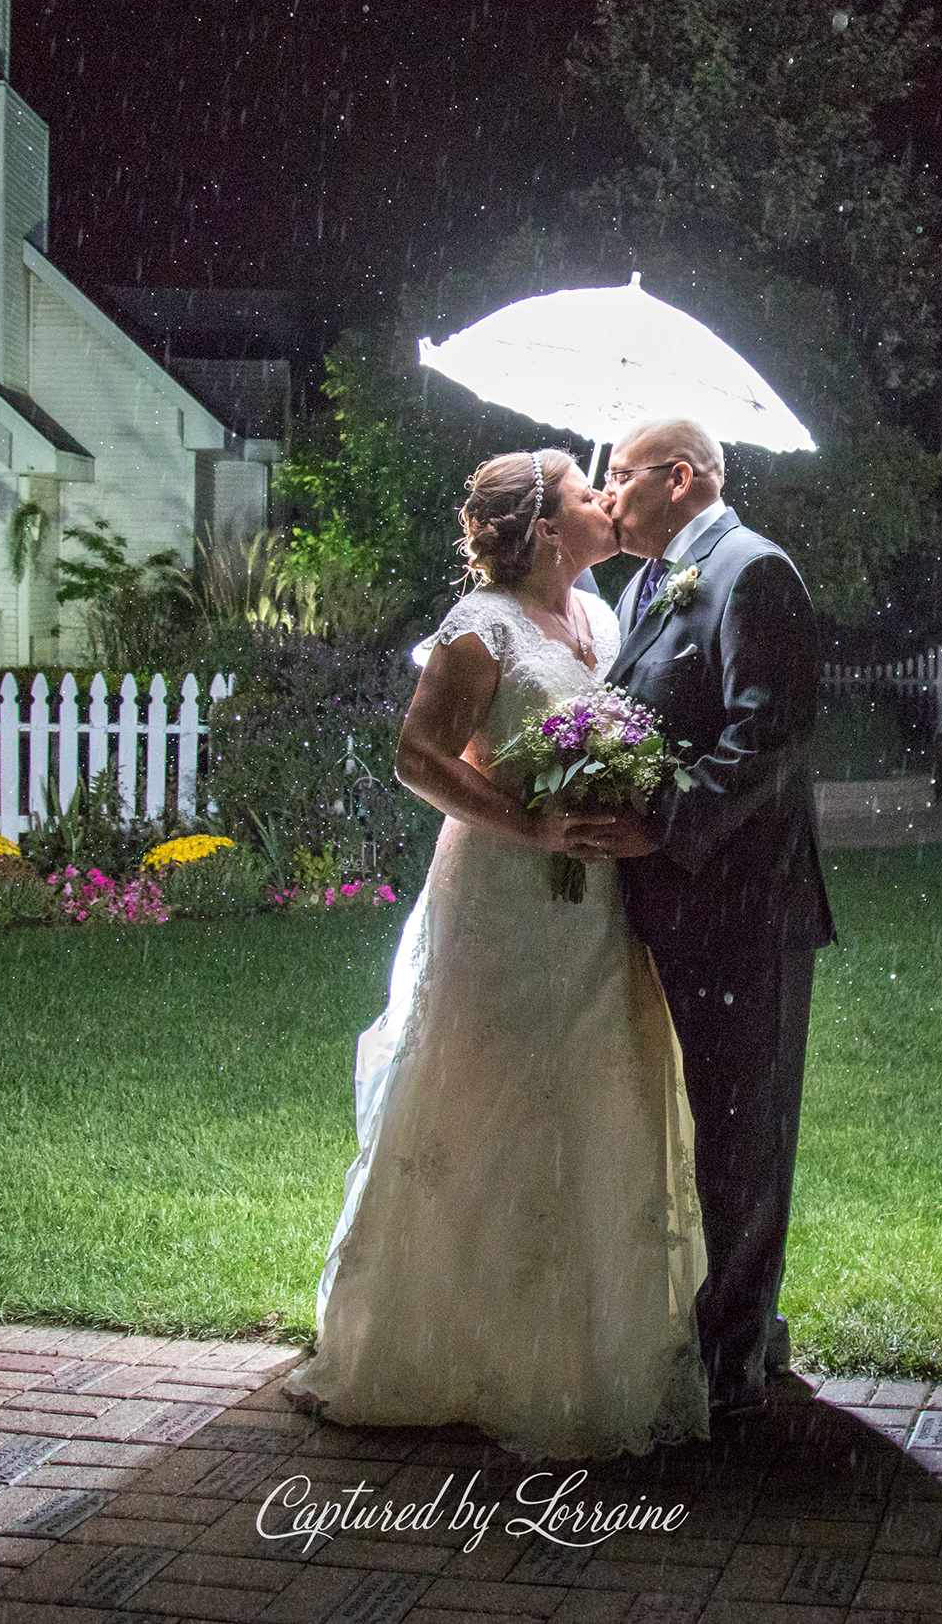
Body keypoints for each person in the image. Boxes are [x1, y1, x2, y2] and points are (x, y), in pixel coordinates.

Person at [285, 448, 709, 1458]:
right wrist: (532, 825)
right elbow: (416, 757)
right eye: (583, 494)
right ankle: (444, 1344)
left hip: (593, 902)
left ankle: (583, 1345)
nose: (605, 501)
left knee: (589, 1088)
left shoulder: (604, 617)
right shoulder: (478, 631)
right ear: (545, 528)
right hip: (503, 898)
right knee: (486, 1094)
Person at [582, 417, 837, 1418]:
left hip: (743, 908)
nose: (609, 496)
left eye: (621, 477)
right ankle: (744, 1333)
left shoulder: (750, 571)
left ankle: (733, 1370)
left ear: (679, 477)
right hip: (674, 907)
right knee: (705, 1129)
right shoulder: (649, 583)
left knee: (741, 1134)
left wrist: (659, 825)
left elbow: (763, 738)